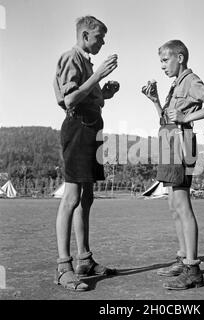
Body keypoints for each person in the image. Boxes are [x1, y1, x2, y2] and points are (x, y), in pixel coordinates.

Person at [142, 40, 204, 290]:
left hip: (180, 141)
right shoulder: (175, 84)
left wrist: (187, 117)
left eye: (165, 61)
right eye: (161, 62)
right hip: (169, 140)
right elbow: (167, 118)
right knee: (173, 205)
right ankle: (183, 258)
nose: (162, 66)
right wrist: (155, 100)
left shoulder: (190, 80)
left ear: (180, 57)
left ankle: (193, 269)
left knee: (182, 204)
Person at [53, 15, 119, 291]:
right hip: (78, 128)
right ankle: (63, 267)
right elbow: (69, 99)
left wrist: (104, 94)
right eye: (99, 37)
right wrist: (98, 76)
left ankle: (85, 259)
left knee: (87, 197)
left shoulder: (85, 62)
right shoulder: (71, 57)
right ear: (84, 36)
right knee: (71, 197)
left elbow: (86, 94)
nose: (102, 42)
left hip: (91, 129)